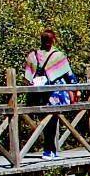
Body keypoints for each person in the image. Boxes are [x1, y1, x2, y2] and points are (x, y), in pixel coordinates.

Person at [24, 29, 74, 158]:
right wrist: (76, 90)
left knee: (44, 120)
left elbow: (27, 78)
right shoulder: (58, 55)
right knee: (52, 120)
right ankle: (49, 150)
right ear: (53, 40)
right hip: (54, 94)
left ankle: (50, 149)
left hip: (37, 93)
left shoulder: (32, 56)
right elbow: (69, 76)